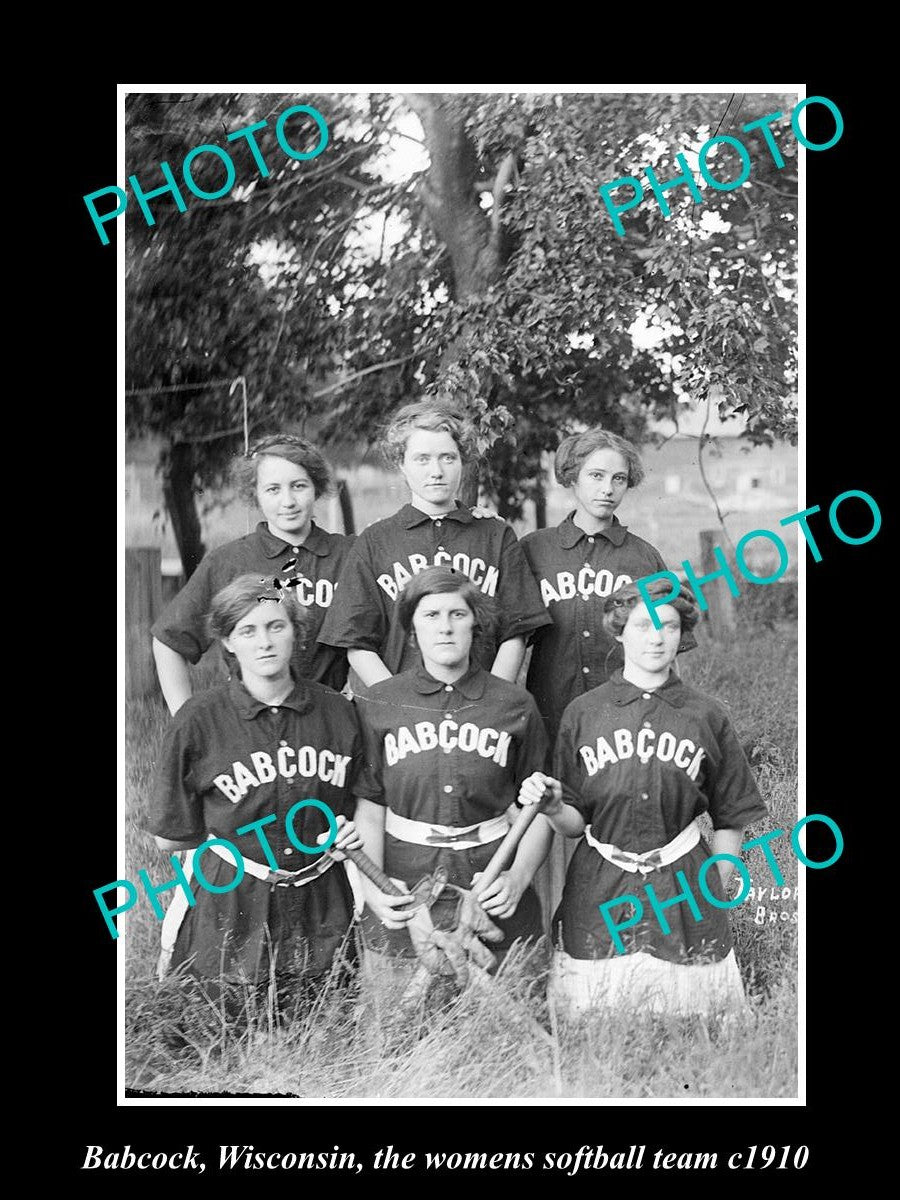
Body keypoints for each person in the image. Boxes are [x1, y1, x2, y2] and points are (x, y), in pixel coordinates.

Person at [518, 578, 769, 1017]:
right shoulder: (585, 712)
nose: (656, 638)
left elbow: (731, 817)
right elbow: (575, 822)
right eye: (642, 626)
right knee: (595, 1017)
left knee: (694, 1017)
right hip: (601, 882)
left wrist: (718, 885)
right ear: (618, 631)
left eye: (669, 626)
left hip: (683, 881)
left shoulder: (705, 714)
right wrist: (556, 807)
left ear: (683, 632)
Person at [145, 574, 369, 1009]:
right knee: (217, 1030)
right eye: (247, 630)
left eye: (276, 626)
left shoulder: (339, 714)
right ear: (227, 642)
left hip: (321, 897)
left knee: (326, 1028)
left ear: (297, 633)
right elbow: (169, 835)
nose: (264, 642)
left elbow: (365, 806)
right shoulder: (198, 720)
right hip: (231, 897)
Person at [352, 566, 553, 971]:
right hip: (406, 881)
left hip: (490, 877)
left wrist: (519, 877)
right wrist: (374, 891)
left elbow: (541, 811)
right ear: (411, 627)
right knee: (397, 1022)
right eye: (431, 615)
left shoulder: (513, 704)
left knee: (510, 1015)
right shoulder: (379, 703)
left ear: (475, 623)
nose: (445, 628)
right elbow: (370, 811)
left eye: (457, 615)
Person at [317, 400, 551, 695]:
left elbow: (516, 632)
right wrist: (398, 704)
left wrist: (493, 703)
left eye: (447, 458)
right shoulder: (376, 540)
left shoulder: (495, 535)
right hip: (403, 715)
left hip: (479, 708)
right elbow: (356, 642)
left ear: (463, 461)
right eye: (422, 459)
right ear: (401, 463)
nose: (436, 471)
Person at [152, 433, 354, 715]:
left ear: (316, 487)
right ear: (254, 493)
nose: (288, 501)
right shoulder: (229, 561)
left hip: (328, 718)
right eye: (273, 489)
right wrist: (185, 719)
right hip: (249, 720)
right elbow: (168, 641)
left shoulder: (349, 556)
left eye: (299, 486)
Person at [521, 427, 669, 741]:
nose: (608, 489)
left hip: (625, 719)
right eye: (596, 476)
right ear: (573, 477)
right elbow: (510, 642)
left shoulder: (644, 558)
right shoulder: (534, 550)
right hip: (550, 715)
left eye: (618, 479)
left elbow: (667, 651)